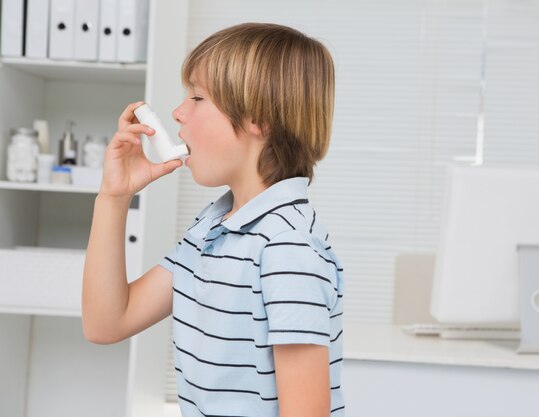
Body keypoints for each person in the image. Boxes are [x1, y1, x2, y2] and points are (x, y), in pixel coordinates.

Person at [82, 22, 345, 417]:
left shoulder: (288, 248)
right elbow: (106, 323)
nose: (177, 112)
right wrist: (113, 197)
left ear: (259, 118)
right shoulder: (213, 230)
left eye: (198, 97)